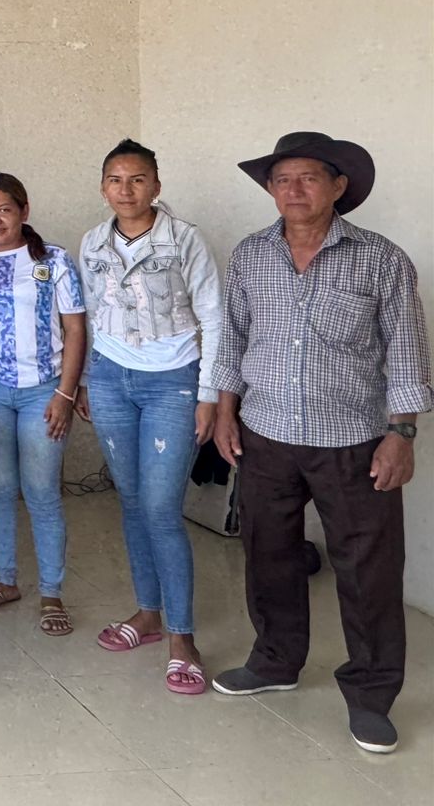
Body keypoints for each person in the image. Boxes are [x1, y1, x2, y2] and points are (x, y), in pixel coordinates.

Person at [210, 132, 430, 755]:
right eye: (282, 179)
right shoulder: (251, 255)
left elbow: (408, 354)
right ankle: (275, 661)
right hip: (265, 435)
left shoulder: (381, 259)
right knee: (268, 555)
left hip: (353, 441)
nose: (294, 190)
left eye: (308, 178)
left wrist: (401, 433)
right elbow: (233, 339)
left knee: (369, 573)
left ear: (338, 187)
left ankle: (371, 696)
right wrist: (225, 412)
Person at [78, 139, 223, 694]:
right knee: (133, 502)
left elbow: (214, 316)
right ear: (103, 187)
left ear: (156, 186)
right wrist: (87, 379)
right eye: (115, 180)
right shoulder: (94, 242)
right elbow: (91, 315)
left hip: (173, 383)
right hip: (111, 380)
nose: (126, 190)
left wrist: (208, 394)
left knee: (162, 509)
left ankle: (183, 638)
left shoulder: (185, 239)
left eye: (138, 179)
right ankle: (147, 613)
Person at [0, 173, 85, 638]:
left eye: (4, 210)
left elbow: (75, 329)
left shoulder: (54, 259)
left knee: (42, 490)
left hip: (44, 391)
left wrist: (66, 394)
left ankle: (51, 592)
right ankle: (5, 580)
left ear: (24, 210)